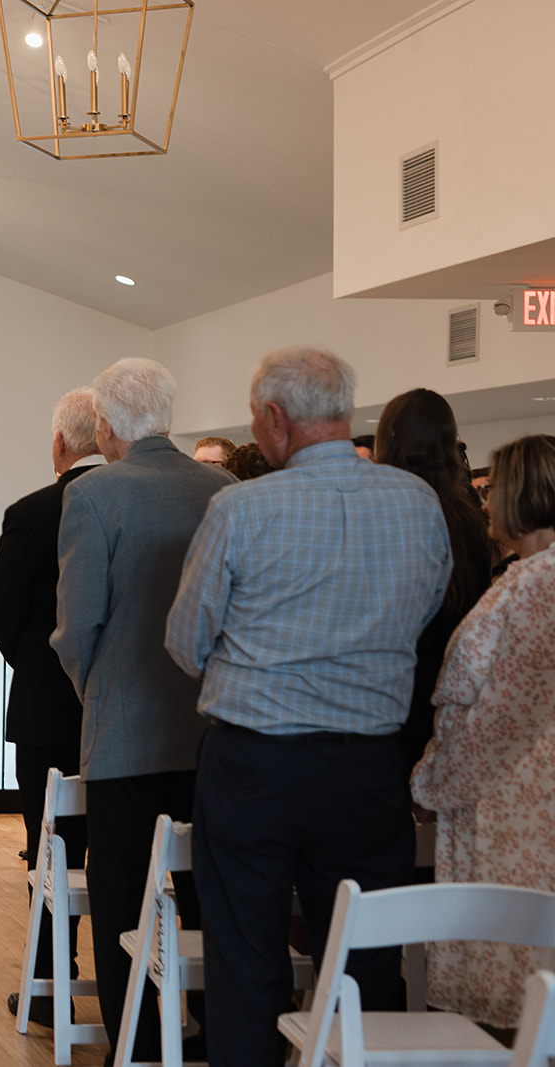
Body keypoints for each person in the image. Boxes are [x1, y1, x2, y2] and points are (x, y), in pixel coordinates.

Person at [167, 347, 452, 1066]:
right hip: (366, 766)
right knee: (364, 962)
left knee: (245, 956)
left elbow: (186, 641)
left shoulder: (239, 506)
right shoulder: (416, 502)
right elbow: (425, 610)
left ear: (274, 419)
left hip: (253, 760)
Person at [50, 357, 230, 1062]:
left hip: (124, 735)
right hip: (213, 729)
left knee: (124, 900)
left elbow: (77, 625)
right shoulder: (225, 486)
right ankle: (214, 1036)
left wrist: (96, 692)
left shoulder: (94, 494)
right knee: (207, 898)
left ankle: (141, 1041)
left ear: (103, 426)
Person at [412, 433, 555, 1030]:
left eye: (494, 489)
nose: (487, 502)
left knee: (513, 1007)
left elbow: (484, 715)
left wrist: (428, 783)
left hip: (510, 818)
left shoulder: (526, 591)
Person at [0, 387, 99, 1025]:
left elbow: (1, 607)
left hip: (47, 707)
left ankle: (55, 981)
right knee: (127, 847)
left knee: (48, 845)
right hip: (130, 711)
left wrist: (37, 667)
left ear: (59, 444)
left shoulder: (31, 511)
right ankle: (134, 974)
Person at [372, 388, 494, 769]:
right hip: (447, 692)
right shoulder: (469, 519)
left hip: (382, 694)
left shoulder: (379, 509)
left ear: (389, 438)